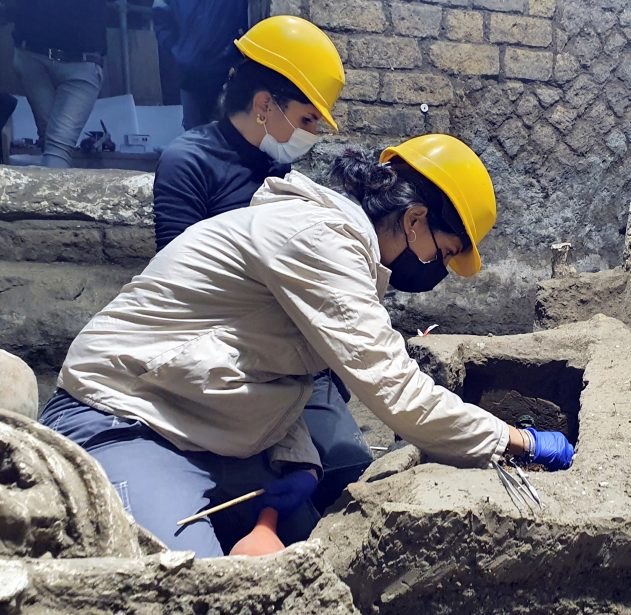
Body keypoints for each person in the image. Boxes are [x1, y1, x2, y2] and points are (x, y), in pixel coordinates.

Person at [39, 133, 576, 558]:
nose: (439, 269)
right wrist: (519, 441)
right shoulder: (320, 239)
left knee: (320, 542)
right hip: (123, 419)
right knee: (186, 584)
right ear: (415, 221)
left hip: (195, 423)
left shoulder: (336, 245)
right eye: (445, 253)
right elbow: (395, 389)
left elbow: (273, 366)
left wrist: (297, 461)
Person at [152, 15, 361, 512]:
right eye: (307, 120)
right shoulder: (188, 162)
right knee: (263, 496)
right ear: (266, 105)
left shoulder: (279, 169)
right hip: (224, 354)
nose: (312, 134)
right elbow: (181, 286)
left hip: (292, 355)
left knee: (349, 466)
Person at [9, 0, 105, 168]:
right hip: (41, 57)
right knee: (56, 145)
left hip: (38, 53)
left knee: (54, 144)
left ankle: (47, 184)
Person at [151, 0, 248, 130]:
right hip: (190, 72)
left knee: (230, 132)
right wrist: (175, 48)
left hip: (228, 72)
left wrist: (234, 52)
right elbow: (160, 10)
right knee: (193, 131)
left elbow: (249, 16)